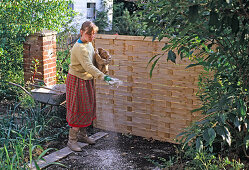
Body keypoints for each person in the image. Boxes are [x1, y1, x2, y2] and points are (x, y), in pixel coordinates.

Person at [66, 21, 113, 152]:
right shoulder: (78, 48)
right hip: (76, 81)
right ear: (81, 32)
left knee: (87, 108)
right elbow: (88, 66)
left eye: (93, 34)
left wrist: (100, 60)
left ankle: (82, 135)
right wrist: (103, 77)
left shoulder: (89, 44)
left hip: (86, 80)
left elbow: (92, 59)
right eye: (89, 34)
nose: (92, 37)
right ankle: (72, 140)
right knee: (78, 109)